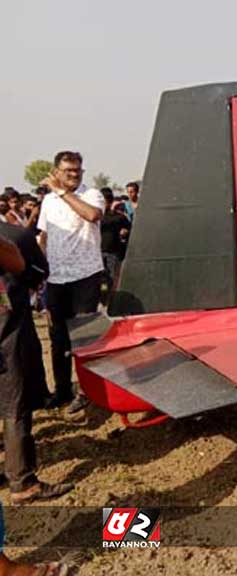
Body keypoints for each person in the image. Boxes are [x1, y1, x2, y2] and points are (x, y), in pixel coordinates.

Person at [0, 221, 73, 507]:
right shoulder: (13, 236)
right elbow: (34, 273)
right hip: (8, 334)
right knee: (15, 408)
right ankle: (23, 482)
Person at [36, 151, 105, 414]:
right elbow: (45, 236)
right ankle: (63, 391)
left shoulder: (91, 194)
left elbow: (91, 216)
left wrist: (64, 193)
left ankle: (87, 391)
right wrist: (40, 270)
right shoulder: (49, 202)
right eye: (68, 171)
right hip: (56, 278)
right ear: (56, 172)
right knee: (58, 338)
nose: (74, 175)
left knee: (85, 337)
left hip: (85, 276)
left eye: (77, 170)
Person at [99, 188, 131, 303]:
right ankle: (102, 297)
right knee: (100, 279)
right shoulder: (94, 217)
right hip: (96, 253)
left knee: (112, 277)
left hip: (113, 252)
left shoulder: (119, 217)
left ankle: (110, 299)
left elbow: (129, 228)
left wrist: (125, 231)